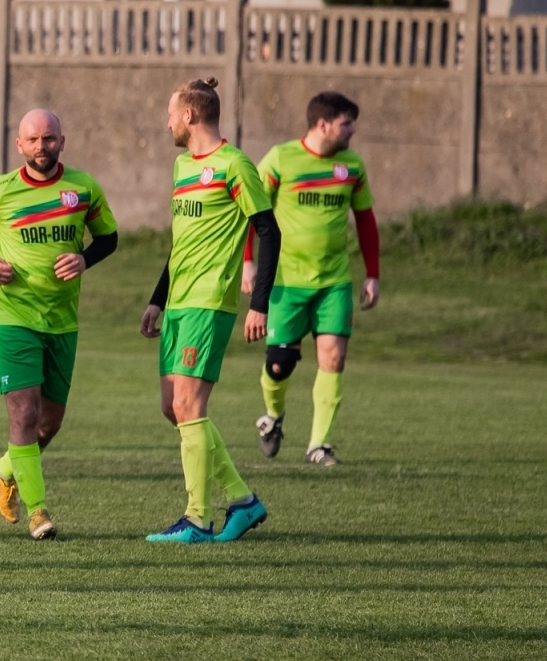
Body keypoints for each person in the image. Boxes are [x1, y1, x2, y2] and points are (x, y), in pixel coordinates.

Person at [0, 109, 118, 539]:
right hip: (13, 319)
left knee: (49, 424)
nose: (41, 147)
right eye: (33, 140)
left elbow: (109, 238)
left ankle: (4, 469)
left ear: (63, 141)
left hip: (62, 322)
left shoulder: (82, 189)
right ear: (19, 145)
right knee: (24, 414)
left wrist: (84, 258)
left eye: (49, 139)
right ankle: (39, 512)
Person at [140, 78, 281, 543]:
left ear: (189, 115)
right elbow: (181, 242)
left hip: (209, 302)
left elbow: (268, 231)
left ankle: (197, 519)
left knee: (188, 406)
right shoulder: (182, 166)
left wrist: (258, 305)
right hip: (178, 302)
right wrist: (157, 299)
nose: (166, 122)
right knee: (172, 408)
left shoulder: (234, 165)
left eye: (169, 113)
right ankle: (242, 501)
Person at [245, 92, 381, 466]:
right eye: (346, 123)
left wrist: (372, 274)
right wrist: (247, 263)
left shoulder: (351, 166)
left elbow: (366, 220)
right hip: (286, 283)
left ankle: (319, 445)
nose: (352, 131)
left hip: (334, 282)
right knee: (278, 366)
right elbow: (251, 211)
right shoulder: (281, 159)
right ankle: (272, 418)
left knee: (333, 357)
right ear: (323, 124)